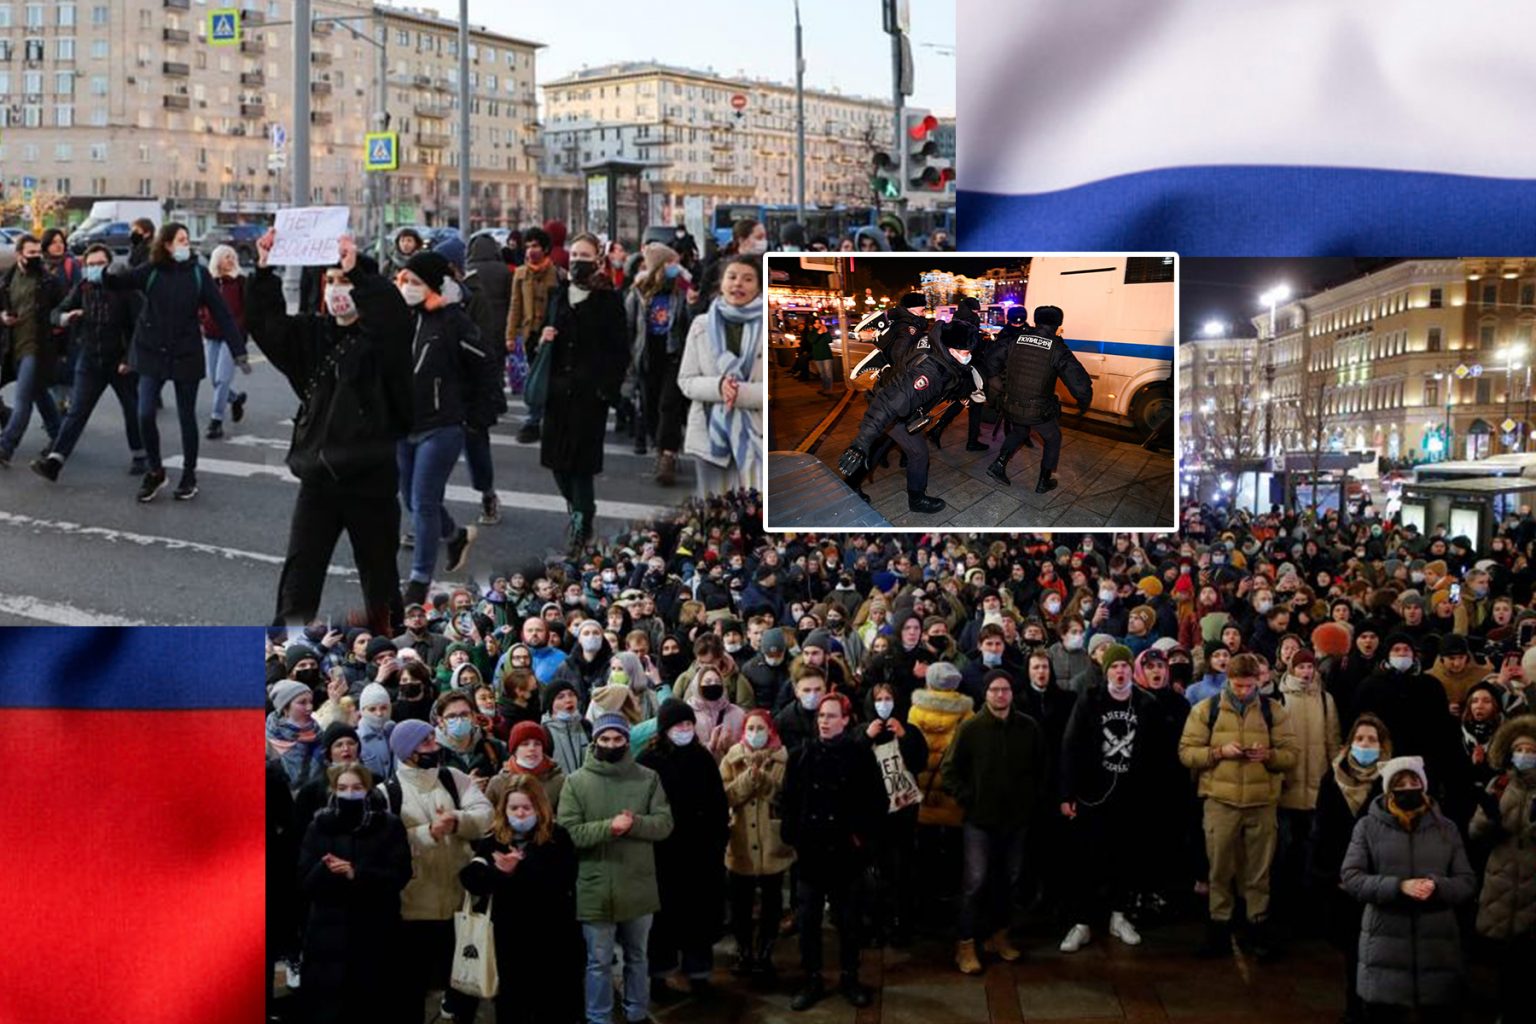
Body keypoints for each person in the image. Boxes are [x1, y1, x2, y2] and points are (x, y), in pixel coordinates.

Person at [245, 230, 414, 635]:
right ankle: (286, 652)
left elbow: (393, 319)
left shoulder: (382, 342)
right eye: (332, 281)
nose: (339, 289)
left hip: (370, 480)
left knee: (379, 576)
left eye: (345, 281)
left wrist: (361, 274)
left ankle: (386, 652)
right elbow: (267, 326)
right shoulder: (314, 334)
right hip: (319, 479)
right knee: (300, 573)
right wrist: (264, 269)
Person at [103, 222, 244, 501]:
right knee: (144, 413)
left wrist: (238, 350)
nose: (185, 244)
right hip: (151, 351)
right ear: (166, 244)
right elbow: (122, 282)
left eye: (187, 240)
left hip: (186, 353)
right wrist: (106, 272)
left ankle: (189, 474)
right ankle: (156, 471)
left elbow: (222, 314)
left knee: (186, 417)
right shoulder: (151, 271)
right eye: (180, 240)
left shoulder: (198, 275)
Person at [394, 249, 500, 605]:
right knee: (409, 497)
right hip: (405, 424)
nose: (408, 287)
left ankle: (419, 581)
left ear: (435, 285)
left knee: (424, 501)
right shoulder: (404, 317)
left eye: (416, 282)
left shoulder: (453, 320)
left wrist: (475, 415)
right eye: (405, 280)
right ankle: (454, 536)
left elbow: (484, 363)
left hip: (442, 425)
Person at [557, 713, 674, 1024]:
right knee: (598, 961)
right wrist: (610, 828)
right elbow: (568, 833)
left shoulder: (647, 778)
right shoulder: (576, 782)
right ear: (595, 741)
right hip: (596, 883)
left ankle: (637, 1012)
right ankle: (599, 1017)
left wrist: (634, 823)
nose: (611, 744)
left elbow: (664, 824)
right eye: (605, 739)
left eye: (618, 739)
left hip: (638, 882)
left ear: (626, 740)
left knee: (638, 957)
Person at [1179, 651, 1298, 958]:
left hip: (1261, 802)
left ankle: (1255, 926)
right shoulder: (1209, 710)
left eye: (1249, 686)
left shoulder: (1273, 711)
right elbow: (1187, 752)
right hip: (1221, 800)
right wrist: (1218, 752)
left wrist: (1269, 756)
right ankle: (1219, 928)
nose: (1244, 691)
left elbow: (1291, 755)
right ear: (1228, 682)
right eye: (1238, 685)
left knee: (1258, 871)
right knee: (1219, 867)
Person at [1340, 756, 1475, 1023]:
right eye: (1400, 783)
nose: (1407, 787)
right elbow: (1351, 876)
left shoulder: (1446, 829)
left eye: (1413, 781)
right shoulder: (1367, 827)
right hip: (1384, 949)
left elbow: (1466, 881)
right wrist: (1397, 886)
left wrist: (1438, 886)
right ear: (1389, 789)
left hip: (1437, 951)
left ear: (1424, 786)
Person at [381, 718, 495, 1024]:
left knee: (464, 985)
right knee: (410, 990)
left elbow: (485, 814)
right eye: (426, 742)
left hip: (460, 903)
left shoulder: (453, 778)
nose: (435, 746)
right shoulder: (387, 792)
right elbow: (386, 845)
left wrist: (457, 820)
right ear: (408, 751)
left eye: (434, 739)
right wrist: (428, 833)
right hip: (414, 908)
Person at [780, 692, 885, 1011]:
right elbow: (789, 800)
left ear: (845, 720)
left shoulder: (859, 755)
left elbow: (875, 801)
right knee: (809, 919)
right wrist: (795, 837)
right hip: (812, 852)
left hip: (845, 852)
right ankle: (812, 977)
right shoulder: (802, 755)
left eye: (831, 715)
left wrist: (860, 839)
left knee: (849, 920)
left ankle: (849, 977)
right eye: (821, 716)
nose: (824, 721)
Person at [943, 668, 1047, 974]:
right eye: (994, 690)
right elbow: (950, 771)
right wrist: (969, 797)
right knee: (975, 882)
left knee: (1009, 879)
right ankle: (965, 944)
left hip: (1016, 819)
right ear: (985, 693)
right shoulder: (971, 728)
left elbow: (1041, 768)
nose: (1000, 695)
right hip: (979, 819)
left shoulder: (1028, 727)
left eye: (1005, 690)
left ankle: (998, 935)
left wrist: (1030, 800)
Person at [459, 773, 584, 1024]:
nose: (520, 813)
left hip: (553, 936)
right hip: (511, 938)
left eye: (527, 807)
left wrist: (518, 870)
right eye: (514, 808)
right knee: (514, 1005)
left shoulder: (558, 837)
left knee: (555, 1005)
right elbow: (471, 878)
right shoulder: (494, 838)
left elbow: (562, 879)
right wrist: (497, 872)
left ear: (540, 807)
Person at [295, 762, 411, 1024]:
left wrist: (356, 873)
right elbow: (304, 880)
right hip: (327, 936)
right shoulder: (319, 826)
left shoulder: (388, 825)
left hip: (375, 930)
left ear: (368, 789)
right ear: (333, 790)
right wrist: (325, 869)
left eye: (357, 788)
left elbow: (399, 874)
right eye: (343, 788)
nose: (350, 793)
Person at [1057, 645, 1156, 953]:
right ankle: (1082, 922)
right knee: (1086, 859)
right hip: (1092, 794)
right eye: (1115, 667)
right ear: (1107, 670)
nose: (1120, 671)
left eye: (1125, 666)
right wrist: (1067, 793)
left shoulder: (1145, 703)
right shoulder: (1090, 699)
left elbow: (1155, 755)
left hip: (1131, 796)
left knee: (1125, 857)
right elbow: (1071, 746)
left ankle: (1119, 915)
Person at [537, 232, 629, 552]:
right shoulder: (557, 294)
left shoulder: (609, 299)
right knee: (557, 464)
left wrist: (608, 389)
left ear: (598, 260)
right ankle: (576, 509)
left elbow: (620, 349)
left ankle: (583, 520)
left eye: (585, 255)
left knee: (581, 466)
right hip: (557, 393)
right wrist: (544, 337)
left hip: (590, 395)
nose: (577, 260)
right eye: (574, 255)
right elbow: (539, 338)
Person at [837, 319, 981, 513]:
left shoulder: (935, 346)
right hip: (891, 406)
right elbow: (889, 405)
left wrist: (962, 394)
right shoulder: (929, 373)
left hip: (888, 396)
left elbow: (951, 380)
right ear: (951, 349)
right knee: (918, 453)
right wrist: (860, 443)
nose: (968, 356)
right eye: (966, 352)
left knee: (880, 446)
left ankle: (851, 484)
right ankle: (917, 500)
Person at [638, 701, 729, 998]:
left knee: (698, 916)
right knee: (662, 921)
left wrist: (718, 842)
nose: (685, 730)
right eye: (679, 726)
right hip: (663, 854)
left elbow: (718, 803)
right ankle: (659, 977)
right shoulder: (649, 761)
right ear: (665, 729)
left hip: (700, 853)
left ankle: (699, 973)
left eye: (689, 725)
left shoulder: (702, 758)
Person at [31, 243, 145, 480]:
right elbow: (55, 313)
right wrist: (65, 317)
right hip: (90, 359)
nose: (94, 269)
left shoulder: (126, 289)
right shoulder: (82, 288)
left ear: (109, 264)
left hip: (120, 361)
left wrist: (128, 358)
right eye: (90, 265)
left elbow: (140, 326)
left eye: (100, 264)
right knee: (77, 412)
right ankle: (55, 461)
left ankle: (140, 455)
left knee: (132, 409)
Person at [1310, 714, 1392, 1024]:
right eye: (1360, 739)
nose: (1365, 745)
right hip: (1342, 878)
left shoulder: (1391, 781)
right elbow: (1322, 831)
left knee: (1379, 949)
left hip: (1379, 878)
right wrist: (1330, 874)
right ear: (1349, 744)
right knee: (1351, 950)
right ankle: (1355, 1007)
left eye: (1372, 740)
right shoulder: (1332, 780)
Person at [677, 255, 763, 497]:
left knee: (754, 516)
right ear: (721, 283)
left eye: (748, 279)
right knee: (714, 516)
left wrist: (740, 393)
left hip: (759, 435)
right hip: (709, 437)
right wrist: (719, 387)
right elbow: (686, 380)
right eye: (732, 277)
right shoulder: (701, 325)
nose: (738, 284)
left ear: (758, 286)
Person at [1471, 714, 1536, 1024]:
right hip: (1502, 880)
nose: (1525, 755)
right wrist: (1489, 821)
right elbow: (1475, 831)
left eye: (1531, 749)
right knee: (1505, 960)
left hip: (1532, 884)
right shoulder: (1500, 784)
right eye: (1520, 749)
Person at [987, 305, 1094, 494]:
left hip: (1011, 404)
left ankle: (998, 465)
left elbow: (990, 362)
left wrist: (1001, 389)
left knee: (1020, 430)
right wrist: (1084, 402)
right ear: (1059, 325)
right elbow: (1079, 382)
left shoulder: (1015, 339)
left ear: (1036, 321)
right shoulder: (1057, 348)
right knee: (1053, 437)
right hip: (1037, 410)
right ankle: (1044, 481)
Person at [720, 708, 794, 976]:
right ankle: (744, 950)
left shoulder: (783, 760)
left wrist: (763, 781)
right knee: (740, 902)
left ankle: (765, 951)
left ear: (770, 731)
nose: (755, 734)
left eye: (760, 728)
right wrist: (746, 780)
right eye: (750, 728)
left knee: (772, 903)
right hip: (740, 842)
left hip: (772, 841)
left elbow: (785, 798)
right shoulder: (732, 759)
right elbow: (725, 796)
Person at [860, 680, 929, 947]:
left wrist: (904, 736)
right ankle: (876, 924)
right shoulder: (862, 731)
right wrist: (866, 737)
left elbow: (919, 763)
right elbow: (853, 762)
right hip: (873, 814)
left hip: (903, 813)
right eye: (879, 699)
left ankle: (902, 924)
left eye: (888, 698)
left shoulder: (909, 730)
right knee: (876, 871)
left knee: (903, 870)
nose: (884, 703)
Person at [625, 243, 693, 483]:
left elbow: (691, 319)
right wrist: (629, 358)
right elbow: (630, 325)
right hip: (647, 355)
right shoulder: (639, 291)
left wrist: (691, 294)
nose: (676, 267)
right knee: (651, 405)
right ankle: (660, 447)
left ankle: (668, 455)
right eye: (670, 263)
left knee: (669, 405)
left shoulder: (681, 290)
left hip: (674, 354)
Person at [463, 234, 514, 527]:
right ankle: (488, 496)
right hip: (494, 336)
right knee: (476, 446)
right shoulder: (501, 272)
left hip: (462, 385)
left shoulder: (469, 289)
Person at [0, 234, 64, 466]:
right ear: (19, 255)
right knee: (39, 393)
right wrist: (3, 316)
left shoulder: (49, 282)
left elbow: (62, 310)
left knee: (24, 397)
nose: (36, 257)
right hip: (11, 347)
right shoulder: (7, 280)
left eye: (38, 252)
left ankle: (6, 446)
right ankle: (59, 435)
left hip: (36, 348)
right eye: (31, 253)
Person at [507, 226, 565, 444]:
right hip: (530, 333)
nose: (532, 250)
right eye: (528, 246)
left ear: (545, 248)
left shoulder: (557, 273)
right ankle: (533, 422)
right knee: (534, 378)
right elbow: (515, 306)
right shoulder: (520, 274)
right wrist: (510, 336)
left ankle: (545, 421)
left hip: (551, 334)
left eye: (536, 246)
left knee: (550, 379)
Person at [198, 244, 250, 440]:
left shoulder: (241, 282)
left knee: (222, 378)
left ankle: (216, 420)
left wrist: (240, 328)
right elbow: (200, 304)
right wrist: (202, 318)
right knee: (213, 379)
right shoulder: (209, 281)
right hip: (211, 335)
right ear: (217, 260)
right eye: (226, 256)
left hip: (232, 337)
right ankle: (235, 399)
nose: (230, 260)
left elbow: (247, 309)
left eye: (232, 256)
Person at [267, 678, 325, 792]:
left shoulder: (319, 733)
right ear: (285, 709)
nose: (309, 707)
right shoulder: (269, 743)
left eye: (310, 702)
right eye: (302, 702)